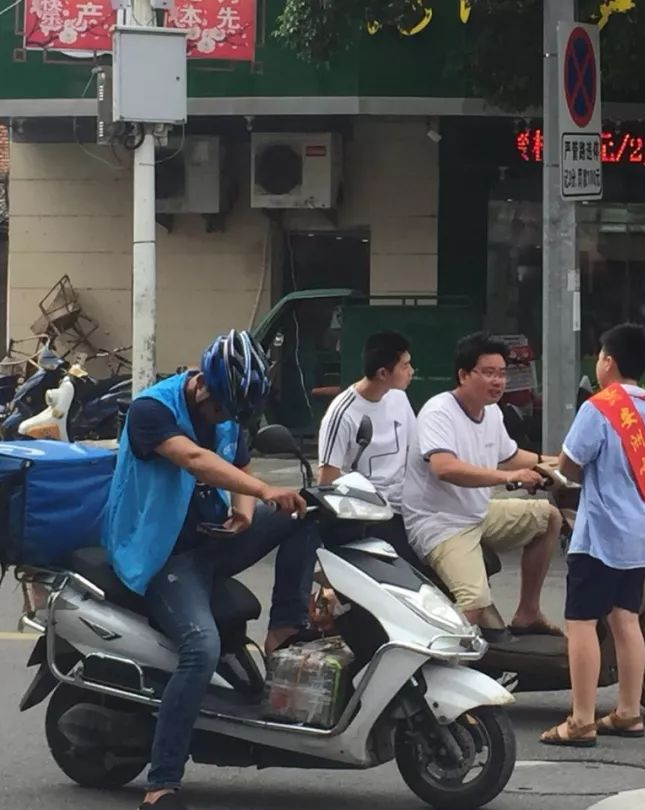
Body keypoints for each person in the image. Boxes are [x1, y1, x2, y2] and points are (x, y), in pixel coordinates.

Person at [103, 330, 318, 810]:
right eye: (221, 409)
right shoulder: (151, 411)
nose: (227, 419)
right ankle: (161, 784)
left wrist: (243, 509)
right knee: (201, 649)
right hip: (162, 553)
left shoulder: (231, 411)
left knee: (304, 513)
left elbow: (237, 459)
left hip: (213, 537)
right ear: (201, 387)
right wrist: (262, 492)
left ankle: (284, 626)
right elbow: (197, 461)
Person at [540, 323, 645, 748]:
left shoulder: (598, 409)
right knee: (625, 618)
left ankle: (581, 719)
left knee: (580, 622)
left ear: (609, 362)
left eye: (600, 355)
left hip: (599, 533)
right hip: (638, 533)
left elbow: (568, 469)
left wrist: (549, 476)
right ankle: (629, 712)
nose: (597, 362)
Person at [402, 332, 563, 633]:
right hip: (440, 524)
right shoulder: (439, 411)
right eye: (488, 373)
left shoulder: (491, 413)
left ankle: (528, 613)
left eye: (502, 374)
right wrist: (509, 477)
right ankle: (439, 663)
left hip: (478, 514)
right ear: (463, 375)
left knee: (548, 517)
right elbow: (444, 467)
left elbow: (511, 455)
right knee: (474, 600)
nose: (498, 381)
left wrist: (554, 462)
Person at [317, 330, 419, 565]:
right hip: (369, 515)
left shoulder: (399, 399)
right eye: (405, 366)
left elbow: (415, 453)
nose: (411, 372)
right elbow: (327, 482)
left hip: (408, 507)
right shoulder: (342, 414)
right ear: (383, 373)